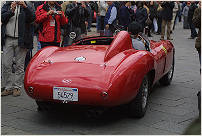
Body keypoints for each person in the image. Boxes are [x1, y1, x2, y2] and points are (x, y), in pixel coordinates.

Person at [1, 1, 35, 96]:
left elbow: (32, 18)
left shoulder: (28, 5)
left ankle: (17, 87)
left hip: (22, 39)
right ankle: (8, 87)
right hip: (8, 38)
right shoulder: (7, 5)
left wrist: (25, 7)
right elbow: (2, 18)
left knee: (20, 65)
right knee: (6, 64)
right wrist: (11, 10)